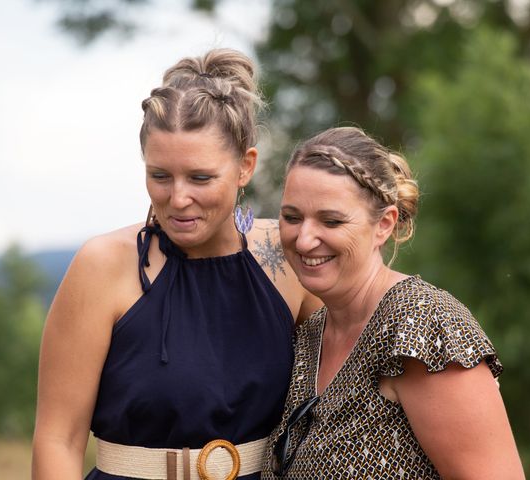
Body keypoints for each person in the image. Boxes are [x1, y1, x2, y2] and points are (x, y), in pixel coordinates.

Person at [32, 48, 321, 480]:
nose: (178, 198)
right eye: (160, 176)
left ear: (246, 166)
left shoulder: (287, 256)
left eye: (200, 178)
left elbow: (338, 399)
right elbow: (59, 440)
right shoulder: (101, 266)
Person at [262, 127, 525, 479]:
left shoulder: (421, 325)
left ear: (384, 224)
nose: (305, 238)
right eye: (292, 217)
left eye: (331, 220)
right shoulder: (309, 334)